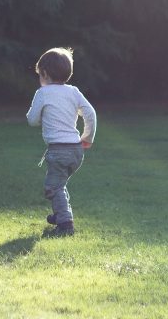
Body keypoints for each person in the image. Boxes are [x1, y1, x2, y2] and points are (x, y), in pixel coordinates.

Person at [26, 47, 97, 236]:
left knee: (53, 187)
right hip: (76, 150)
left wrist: (41, 115)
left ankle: (65, 225)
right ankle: (61, 214)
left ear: (45, 73)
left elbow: (32, 120)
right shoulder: (73, 92)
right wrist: (87, 138)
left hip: (58, 151)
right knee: (60, 184)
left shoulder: (43, 93)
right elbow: (90, 114)